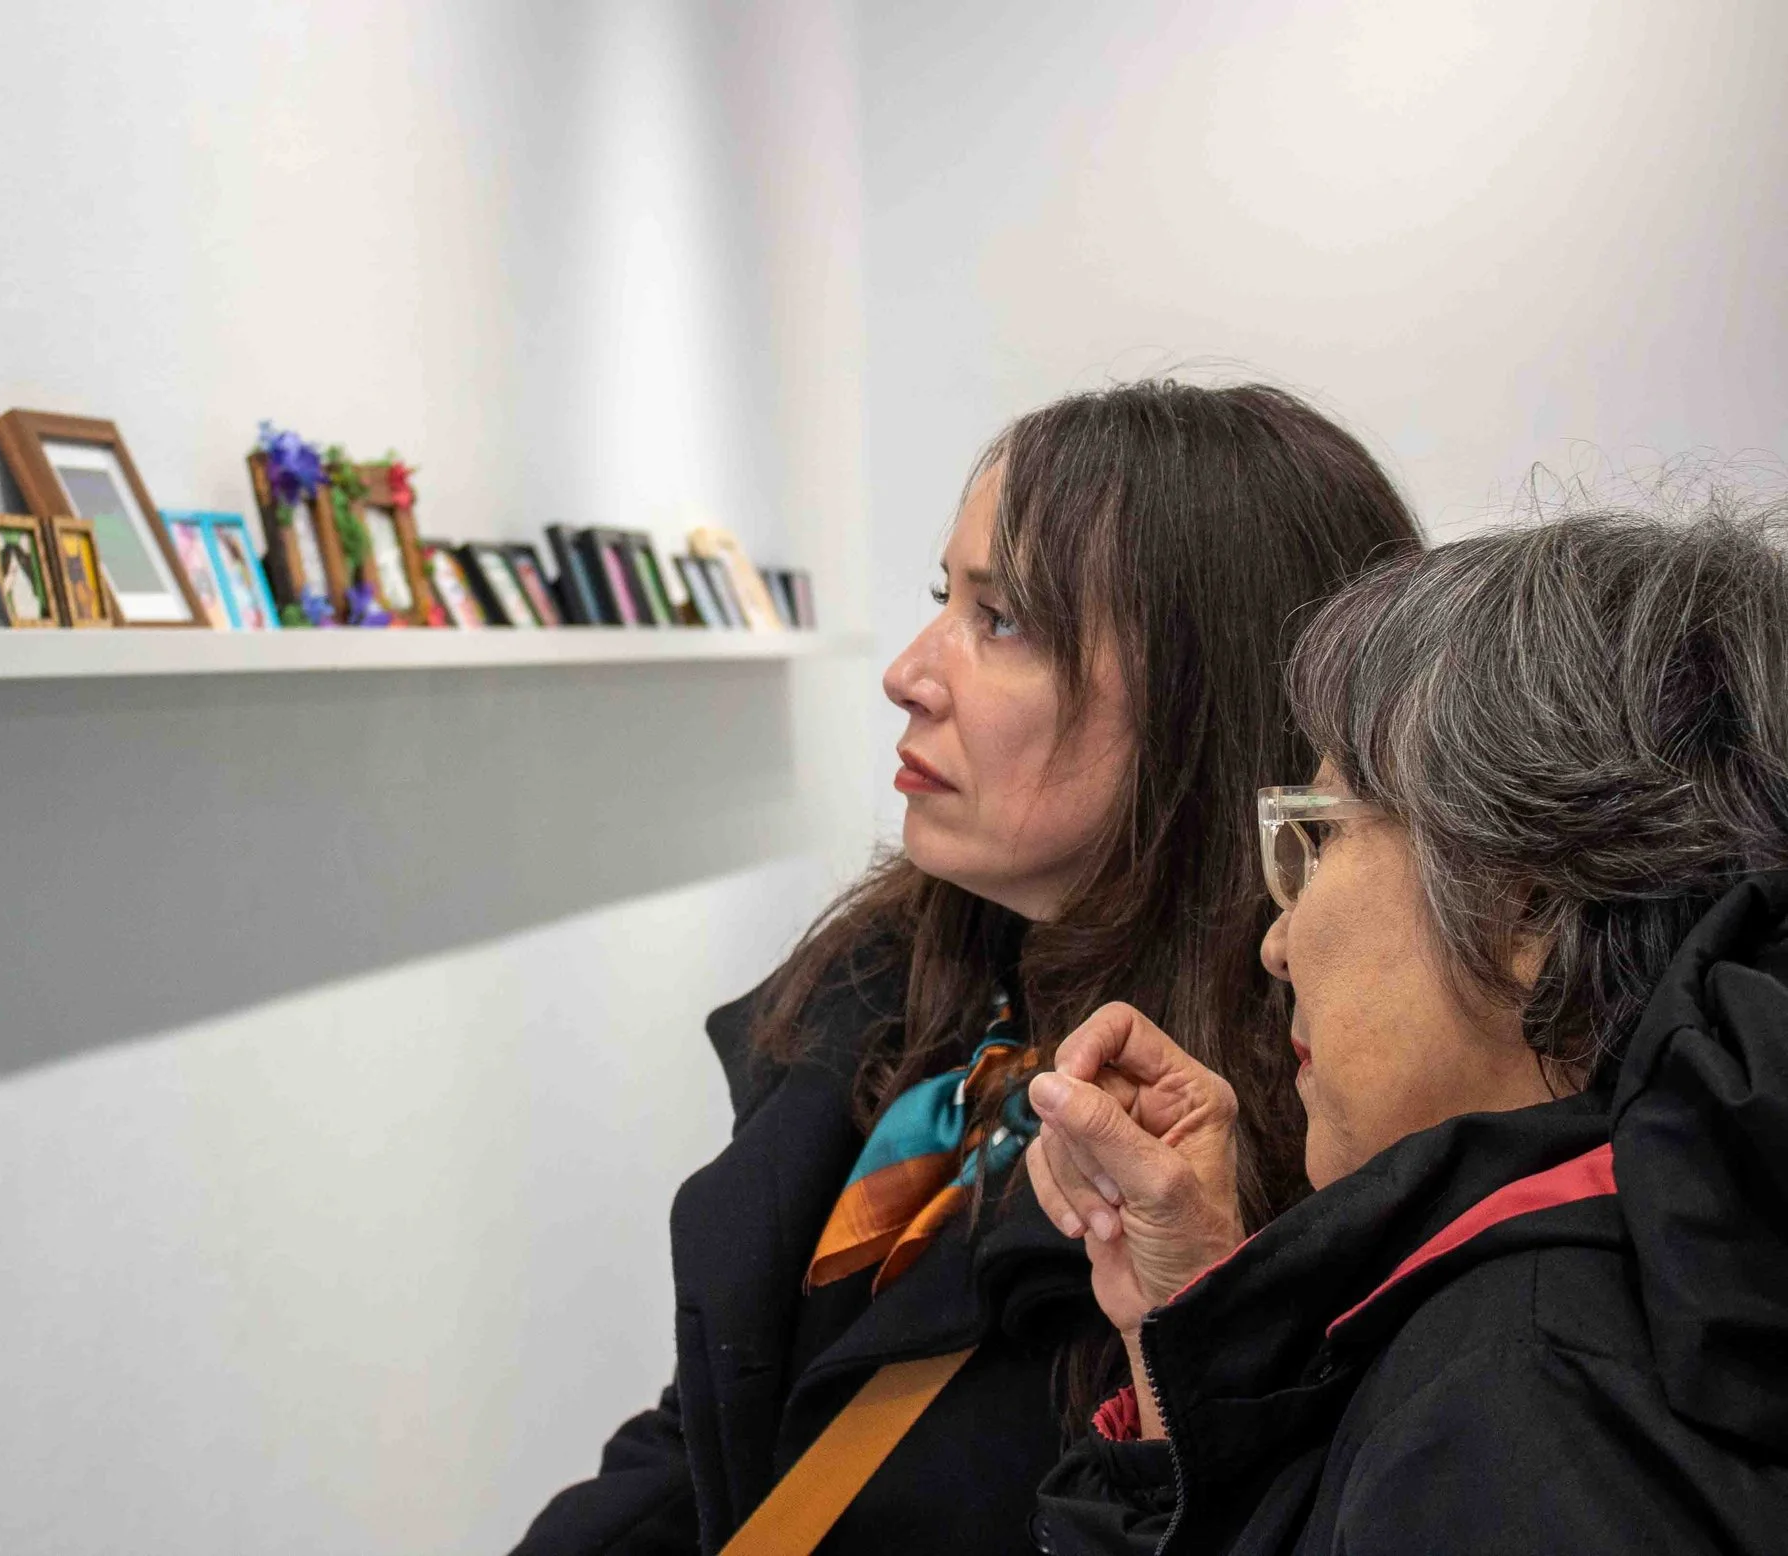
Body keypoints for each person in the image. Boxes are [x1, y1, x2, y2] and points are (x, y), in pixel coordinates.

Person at [510, 381, 1420, 1556]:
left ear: (1211, 699)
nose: (907, 670)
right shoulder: (897, 991)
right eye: (946, 598)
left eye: (1004, 621)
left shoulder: (1300, 1152)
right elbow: (728, 1437)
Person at [1025, 506, 1788, 1555]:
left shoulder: (1524, 1386)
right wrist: (1191, 1316)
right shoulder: (1676, 1271)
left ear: (1524, 909)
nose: (1275, 944)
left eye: (1323, 835)